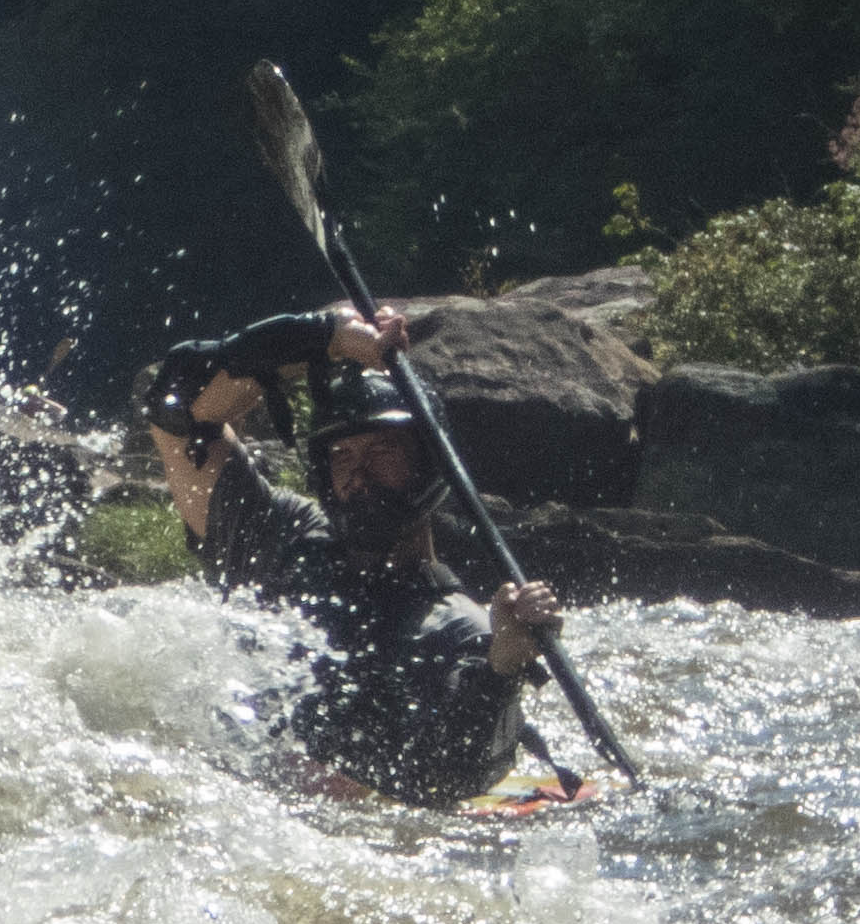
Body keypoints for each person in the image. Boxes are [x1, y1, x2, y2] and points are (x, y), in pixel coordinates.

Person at [143, 307, 569, 804]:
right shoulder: (279, 537)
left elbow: (450, 781)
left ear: (428, 466)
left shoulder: (461, 633)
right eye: (341, 455)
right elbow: (176, 404)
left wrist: (502, 672)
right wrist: (325, 339)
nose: (357, 475)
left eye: (382, 451)